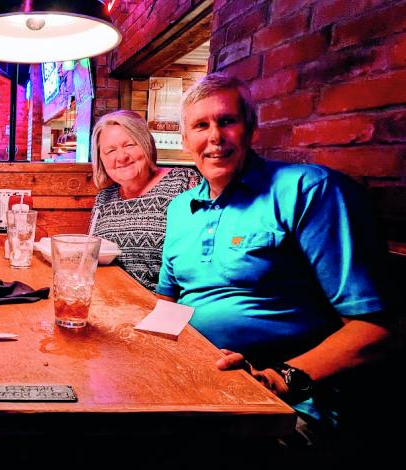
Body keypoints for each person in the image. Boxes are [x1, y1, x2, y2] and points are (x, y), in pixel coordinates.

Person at [156, 73, 394, 447]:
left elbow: (375, 330)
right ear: (185, 141)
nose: (215, 137)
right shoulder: (180, 209)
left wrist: (279, 379)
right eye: (201, 126)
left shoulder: (307, 190)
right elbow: (169, 303)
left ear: (251, 129)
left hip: (283, 406)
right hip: (191, 383)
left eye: (227, 121)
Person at [89, 110, 200, 291]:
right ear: (101, 159)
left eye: (130, 145)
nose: (121, 157)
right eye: (110, 151)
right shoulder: (104, 199)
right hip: (110, 299)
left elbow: (202, 258)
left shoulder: (184, 182)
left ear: (146, 143)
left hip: (167, 305)